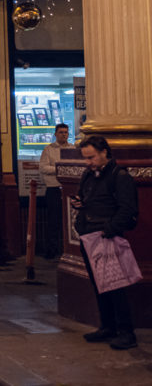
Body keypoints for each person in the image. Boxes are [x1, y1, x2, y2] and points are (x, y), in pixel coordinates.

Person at [71, 136, 139, 350]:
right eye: (85, 158)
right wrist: (80, 204)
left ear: (104, 153)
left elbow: (128, 209)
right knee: (99, 284)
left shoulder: (119, 176)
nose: (88, 162)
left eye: (91, 157)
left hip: (106, 237)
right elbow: (86, 198)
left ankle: (126, 332)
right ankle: (107, 326)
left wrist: (109, 230)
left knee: (115, 285)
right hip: (88, 236)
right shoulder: (88, 175)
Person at [38, 123, 70, 258]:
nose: (64, 134)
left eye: (66, 132)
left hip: (69, 190)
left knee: (68, 221)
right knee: (53, 221)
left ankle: (67, 251)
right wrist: (60, 168)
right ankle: (52, 251)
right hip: (53, 189)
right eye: (61, 132)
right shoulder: (48, 150)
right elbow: (43, 168)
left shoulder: (73, 148)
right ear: (55, 134)